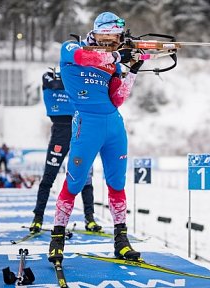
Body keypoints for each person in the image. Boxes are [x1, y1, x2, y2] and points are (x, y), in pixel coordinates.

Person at [48, 11, 143, 264]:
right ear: (96, 33)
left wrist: (132, 71)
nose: (112, 41)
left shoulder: (113, 62)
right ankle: (57, 238)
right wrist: (115, 55)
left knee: (117, 182)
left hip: (113, 125)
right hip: (86, 124)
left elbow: (117, 98)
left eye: (116, 38)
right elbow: (84, 57)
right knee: (75, 182)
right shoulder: (71, 47)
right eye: (108, 36)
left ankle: (121, 241)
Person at [29, 70, 102, 234]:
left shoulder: (77, 77)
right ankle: (37, 218)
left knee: (85, 177)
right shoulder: (50, 75)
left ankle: (89, 218)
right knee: (49, 176)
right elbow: (52, 83)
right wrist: (70, 79)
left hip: (79, 131)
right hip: (60, 134)